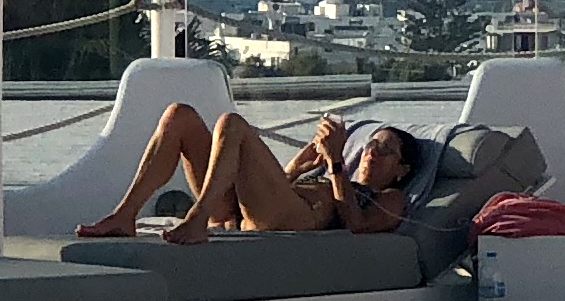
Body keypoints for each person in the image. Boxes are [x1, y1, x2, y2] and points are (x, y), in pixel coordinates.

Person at [77, 105, 420, 248]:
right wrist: (300, 167)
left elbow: (355, 225)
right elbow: (272, 191)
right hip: (260, 209)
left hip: (302, 219)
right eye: (372, 143)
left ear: (402, 169)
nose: (372, 151)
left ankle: (197, 220)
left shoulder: (392, 198)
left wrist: (334, 162)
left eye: (386, 150)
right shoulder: (331, 172)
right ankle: (124, 215)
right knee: (178, 116)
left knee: (231, 123)